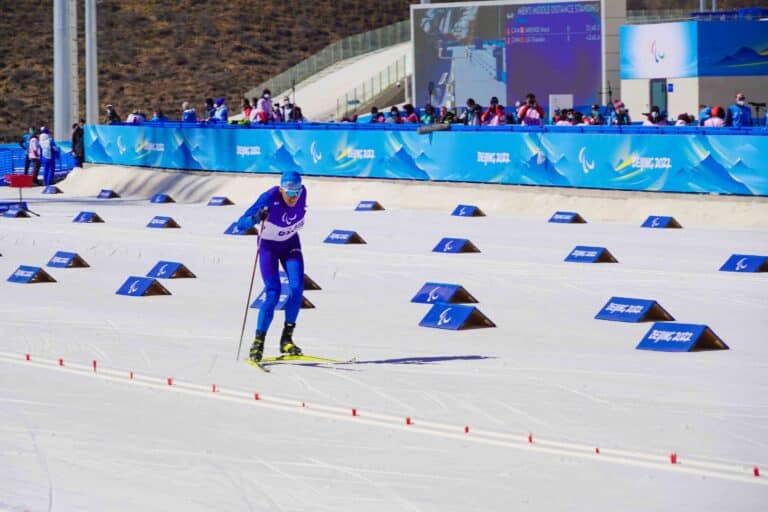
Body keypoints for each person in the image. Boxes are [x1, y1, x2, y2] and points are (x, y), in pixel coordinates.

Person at [237, 170, 308, 362]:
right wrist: (256, 217)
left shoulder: (303, 193)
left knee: (297, 288)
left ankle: (287, 339)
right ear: (281, 189)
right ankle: (258, 341)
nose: (294, 197)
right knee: (273, 292)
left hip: (291, 245)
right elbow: (240, 225)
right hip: (268, 248)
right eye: (290, 192)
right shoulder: (268, 197)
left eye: (297, 192)